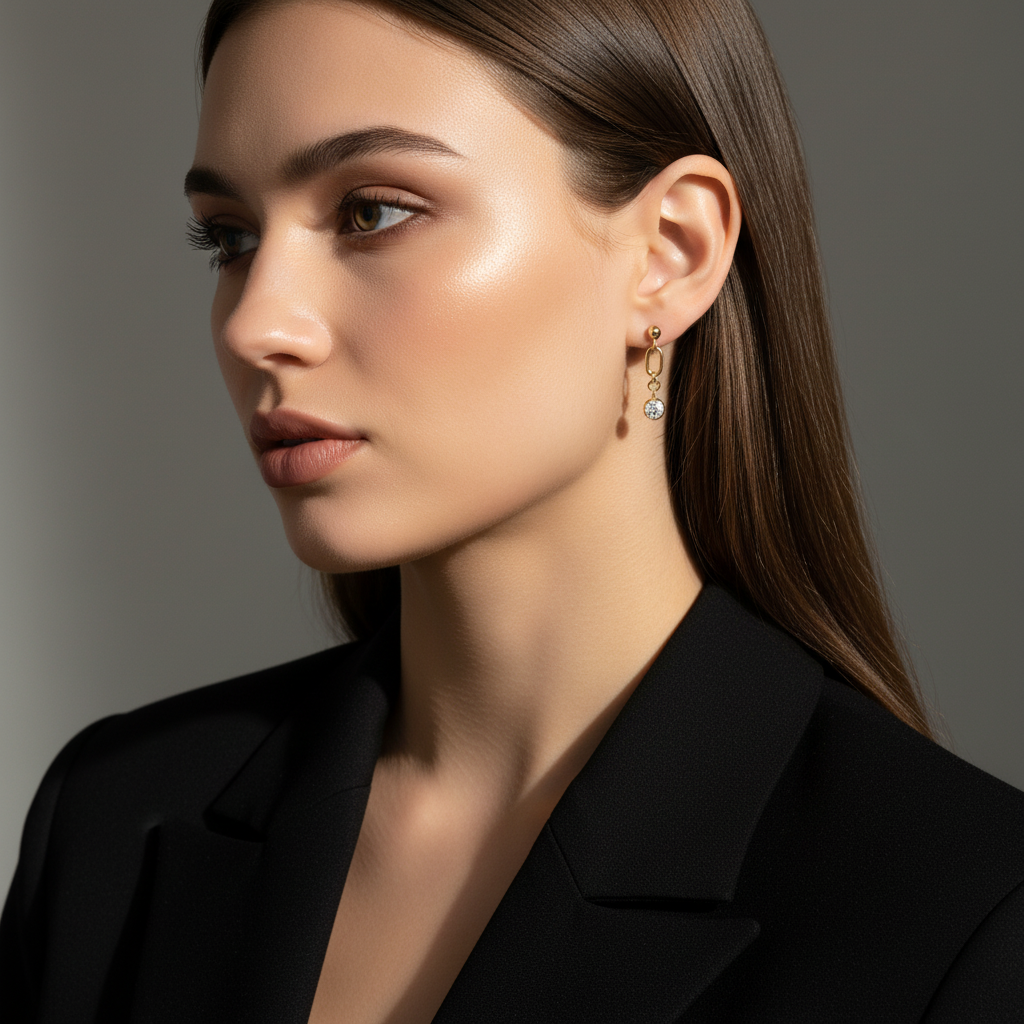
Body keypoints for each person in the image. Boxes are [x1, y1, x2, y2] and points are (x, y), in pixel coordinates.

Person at [1, 0, 1022, 1020]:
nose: (257, 323)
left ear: (669, 252)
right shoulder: (115, 824)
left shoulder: (961, 919)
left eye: (372, 212)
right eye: (229, 237)